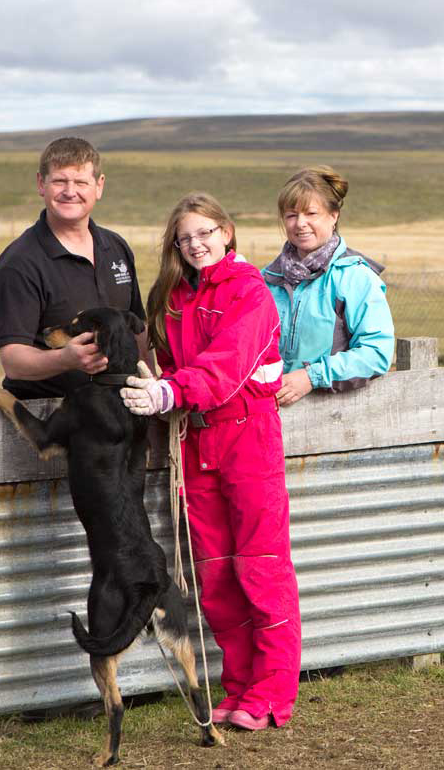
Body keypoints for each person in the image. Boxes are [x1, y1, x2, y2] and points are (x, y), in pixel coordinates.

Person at [119, 192, 301, 731]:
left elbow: (227, 363)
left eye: (204, 233)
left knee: (261, 565)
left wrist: (171, 393)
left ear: (227, 232)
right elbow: (168, 361)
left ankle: (272, 694)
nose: (195, 245)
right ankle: (240, 686)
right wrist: (156, 387)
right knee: (217, 574)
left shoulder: (250, 293)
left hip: (247, 438)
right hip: (195, 444)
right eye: (185, 238)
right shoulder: (175, 296)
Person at [0, 137, 146, 400]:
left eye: (81, 182)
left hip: (118, 413)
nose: (70, 191)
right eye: (60, 181)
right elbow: (13, 361)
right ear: (41, 184)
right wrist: (66, 359)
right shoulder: (19, 264)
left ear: (99, 186)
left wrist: (149, 386)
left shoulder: (116, 247)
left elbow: (138, 329)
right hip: (47, 419)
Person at [262, 165, 395, 407]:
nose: (300, 223)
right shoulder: (266, 280)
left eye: (311, 213)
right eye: (291, 215)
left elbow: (376, 353)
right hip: (267, 418)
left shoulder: (355, 278)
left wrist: (312, 377)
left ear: (333, 216)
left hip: (333, 419)